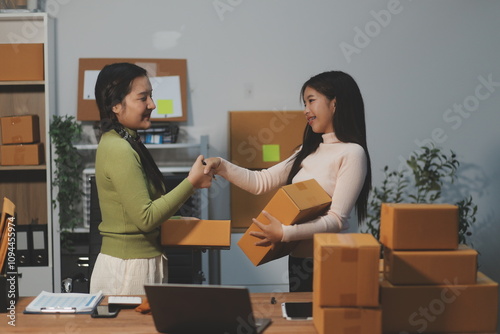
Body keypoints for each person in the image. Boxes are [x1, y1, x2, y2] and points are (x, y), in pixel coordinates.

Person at [203, 71, 371, 292]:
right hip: (299, 260)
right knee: (299, 324)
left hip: (330, 261)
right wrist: (221, 166)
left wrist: (284, 233)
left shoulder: (352, 153)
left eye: (311, 101)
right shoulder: (307, 150)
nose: (305, 111)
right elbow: (260, 181)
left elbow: (337, 220)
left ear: (335, 104)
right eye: (305, 103)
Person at [89, 62, 213, 295]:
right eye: (142, 98)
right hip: (128, 269)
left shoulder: (126, 142)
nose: (152, 105)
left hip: (137, 263)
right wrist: (192, 183)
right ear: (116, 105)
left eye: (151, 96)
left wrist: (180, 223)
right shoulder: (119, 149)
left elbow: (139, 212)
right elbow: (145, 218)